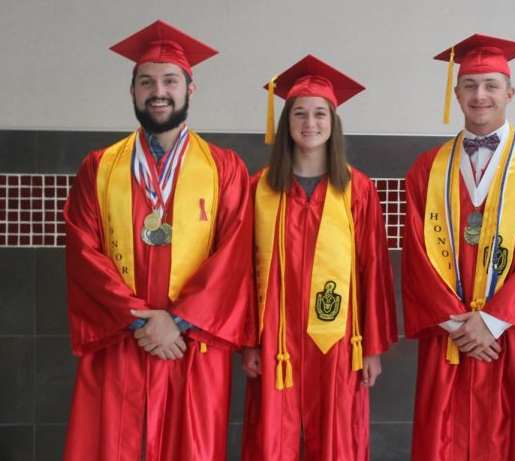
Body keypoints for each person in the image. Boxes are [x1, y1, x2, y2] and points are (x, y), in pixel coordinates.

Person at [63, 20, 254, 461]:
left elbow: (235, 255)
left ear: (191, 88)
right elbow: (83, 251)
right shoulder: (100, 167)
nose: (158, 91)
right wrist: (141, 321)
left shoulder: (224, 169)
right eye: (146, 82)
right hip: (121, 338)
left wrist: (178, 321)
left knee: (191, 447)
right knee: (110, 446)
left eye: (170, 80)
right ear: (132, 91)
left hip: (192, 343)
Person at [402, 34, 515, 461]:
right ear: (456, 94)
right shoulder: (427, 168)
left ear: (510, 93)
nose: (480, 95)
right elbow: (417, 256)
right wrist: (459, 325)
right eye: (470, 86)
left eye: (491, 85)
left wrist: (493, 322)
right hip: (450, 334)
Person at [241, 54, 398, 461]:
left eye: (319, 114)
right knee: (273, 436)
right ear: (286, 123)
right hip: (276, 337)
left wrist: (373, 347)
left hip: (340, 338)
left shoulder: (357, 190)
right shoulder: (258, 189)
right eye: (299, 114)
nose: (309, 123)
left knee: (337, 435)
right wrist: (248, 341)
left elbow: (374, 270)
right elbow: (242, 272)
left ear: (333, 123)